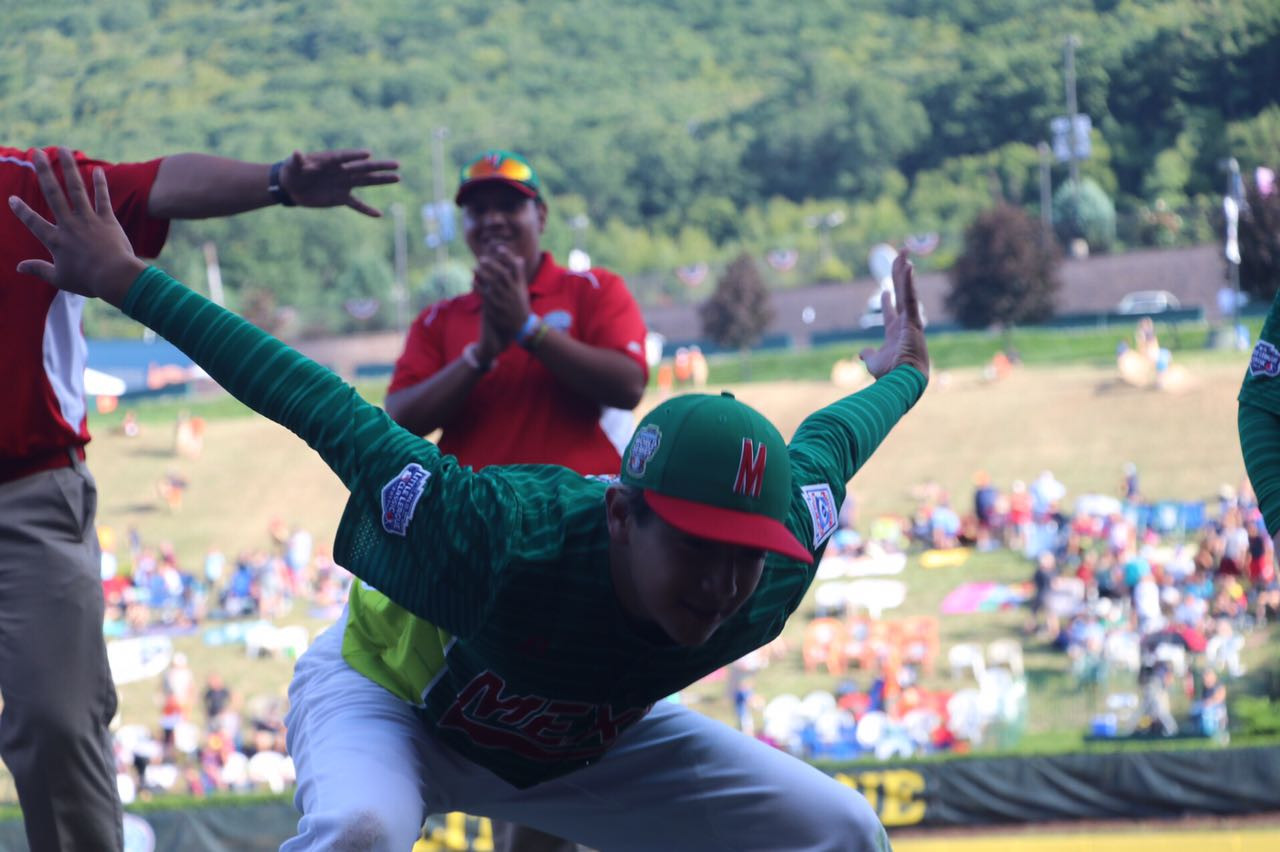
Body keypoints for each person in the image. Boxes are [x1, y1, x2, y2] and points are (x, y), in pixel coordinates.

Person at [10, 150, 928, 851]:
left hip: (582, 729)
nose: (725, 583)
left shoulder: (777, 557)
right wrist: (127, 280)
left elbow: (834, 442)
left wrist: (908, 372)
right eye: (697, 546)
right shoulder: (494, 537)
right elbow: (319, 403)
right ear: (622, 515)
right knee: (362, 831)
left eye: (745, 554)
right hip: (396, 701)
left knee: (842, 829)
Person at [1, 144, 397, 851]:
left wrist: (278, 182)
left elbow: (157, 184)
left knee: (56, 721)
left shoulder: (26, 183)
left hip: (25, 494)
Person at [378, 150, 649, 851]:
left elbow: (627, 383)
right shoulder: (442, 319)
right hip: (482, 562)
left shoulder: (592, 290)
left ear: (541, 216)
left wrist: (530, 331)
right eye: (477, 209)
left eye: (509, 205)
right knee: (519, 750)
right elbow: (399, 418)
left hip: (588, 552)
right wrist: (481, 353)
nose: (492, 219)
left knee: (571, 746)